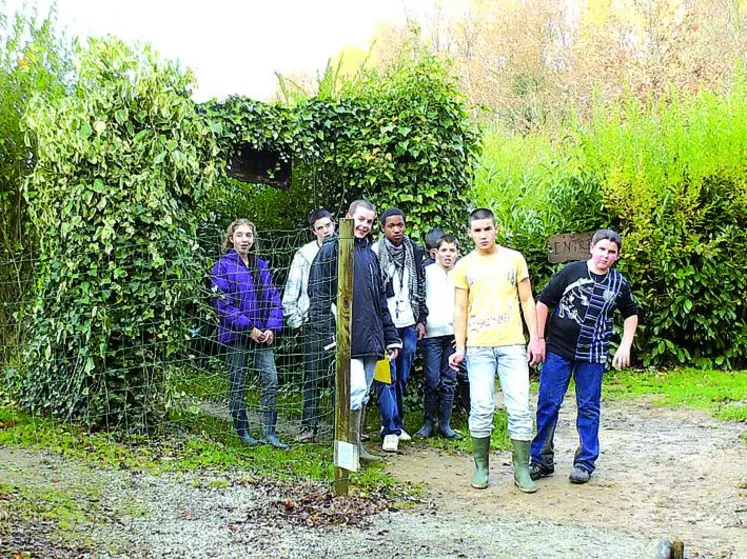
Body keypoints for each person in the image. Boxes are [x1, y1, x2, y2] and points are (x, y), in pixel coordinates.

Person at [530, 229, 638, 484]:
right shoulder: (571, 272)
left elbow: (631, 313)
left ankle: (585, 462)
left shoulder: (618, 284)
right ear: (591, 247)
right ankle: (541, 459)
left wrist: (625, 344)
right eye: (601, 249)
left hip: (593, 353)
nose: (605, 255)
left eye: (611, 252)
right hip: (558, 350)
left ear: (617, 256)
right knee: (548, 404)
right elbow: (543, 302)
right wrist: (538, 339)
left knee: (588, 407)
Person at [449, 208, 543, 492]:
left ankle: (521, 470)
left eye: (487, 229)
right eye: (477, 230)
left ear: (496, 229)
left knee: (520, 408)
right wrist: (460, 346)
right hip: (478, 347)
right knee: (480, 407)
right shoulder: (464, 266)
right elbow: (460, 309)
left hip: (512, 344)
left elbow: (527, 301)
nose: (483, 235)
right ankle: (481, 467)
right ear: (469, 233)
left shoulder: (514, 259)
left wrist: (535, 338)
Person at [308, 199, 401, 464]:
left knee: (361, 393)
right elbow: (318, 296)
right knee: (354, 390)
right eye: (360, 219)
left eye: (369, 222)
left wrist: (391, 337)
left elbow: (380, 302)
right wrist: (329, 337)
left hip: (371, 340)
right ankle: (345, 455)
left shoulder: (370, 255)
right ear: (347, 218)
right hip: (344, 339)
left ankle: (356, 448)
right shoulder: (331, 249)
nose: (364, 225)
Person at [211, 219, 288, 449]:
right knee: (238, 382)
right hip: (237, 335)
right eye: (240, 235)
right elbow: (222, 304)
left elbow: (274, 298)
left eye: (248, 235)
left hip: (263, 334)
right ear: (231, 239)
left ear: (253, 239)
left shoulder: (261, 266)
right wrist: (248, 328)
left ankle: (269, 433)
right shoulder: (222, 267)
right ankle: (243, 432)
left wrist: (272, 327)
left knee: (270, 379)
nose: (245, 239)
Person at [373, 208, 428, 453]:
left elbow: (421, 286)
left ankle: (398, 421)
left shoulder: (413, 251)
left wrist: (421, 319)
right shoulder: (375, 252)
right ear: (383, 228)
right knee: (386, 375)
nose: (396, 230)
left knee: (403, 375)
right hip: (385, 325)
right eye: (391, 226)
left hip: (408, 322)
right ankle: (390, 427)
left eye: (400, 225)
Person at [282, 209, 336, 443]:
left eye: (329, 225)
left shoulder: (344, 250)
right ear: (313, 231)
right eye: (320, 227)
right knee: (312, 376)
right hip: (313, 321)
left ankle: (341, 427)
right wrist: (297, 322)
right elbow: (292, 290)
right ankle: (308, 426)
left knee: (341, 376)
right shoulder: (304, 255)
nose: (326, 231)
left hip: (341, 321)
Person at [414, 234, 462, 440]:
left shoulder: (462, 273)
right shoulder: (426, 272)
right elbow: (418, 298)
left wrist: (463, 334)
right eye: (444, 250)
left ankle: (445, 424)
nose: (448, 255)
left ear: (457, 253)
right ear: (435, 253)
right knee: (432, 379)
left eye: (452, 251)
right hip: (432, 334)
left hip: (453, 335)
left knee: (449, 379)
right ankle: (427, 423)